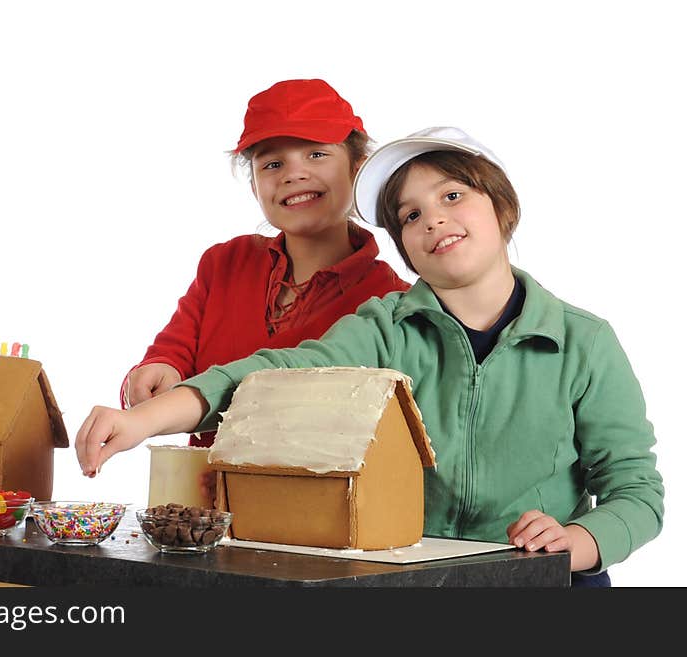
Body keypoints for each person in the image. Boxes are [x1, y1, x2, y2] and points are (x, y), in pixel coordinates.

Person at [76, 127, 664, 586]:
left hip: (539, 582)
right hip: (407, 580)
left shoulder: (584, 342)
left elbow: (636, 492)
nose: (433, 218)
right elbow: (272, 376)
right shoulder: (384, 329)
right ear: (405, 245)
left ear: (501, 209)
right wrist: (138, 421)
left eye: (453, 196)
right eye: (410, 215)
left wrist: (577, 543)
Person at [118, 78, 410, 451]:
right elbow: (172, 352)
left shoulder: (390, 303)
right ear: (255, 186)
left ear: (358, 169)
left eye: (316, 154)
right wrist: (155, 372)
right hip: (198, 505)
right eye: (272, 163)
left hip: (313, 505)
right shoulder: (224, 264)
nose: (293, 174)